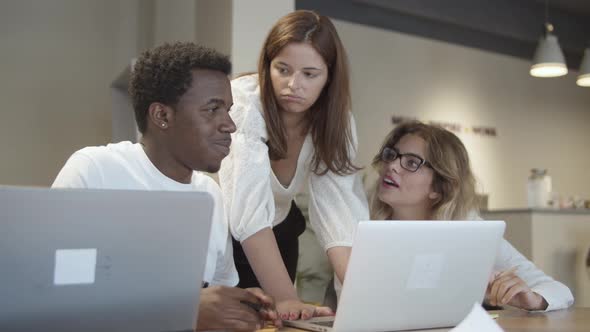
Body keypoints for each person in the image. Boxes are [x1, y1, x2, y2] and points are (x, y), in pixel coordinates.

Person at [52, 42, 280, 331]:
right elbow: (54, 295)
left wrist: (241, 306)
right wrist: (182, 308)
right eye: (212, 109)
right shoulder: (95, 170)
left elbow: (214, 294)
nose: (230, 125)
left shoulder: (210, 195)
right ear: (162, 116)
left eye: (229, 109)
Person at [218, 10, 369, 319]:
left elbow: (339, 217)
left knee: (283, 322)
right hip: (223, 233)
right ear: (267, 66)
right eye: (282, 69)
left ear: (329, 77)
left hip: (279, 229)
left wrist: (364, 298)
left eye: (309, 74)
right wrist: (286, 297)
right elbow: (246, 212)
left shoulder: (337, 123)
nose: (293, 85)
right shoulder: (243, 103)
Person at [369, 121, 574, 311]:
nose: (392, 166)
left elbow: (559, 291)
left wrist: (534, 299)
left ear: (439, 188)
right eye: (391, 155)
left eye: (412, 163)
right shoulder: (361, 222)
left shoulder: (469, 228)